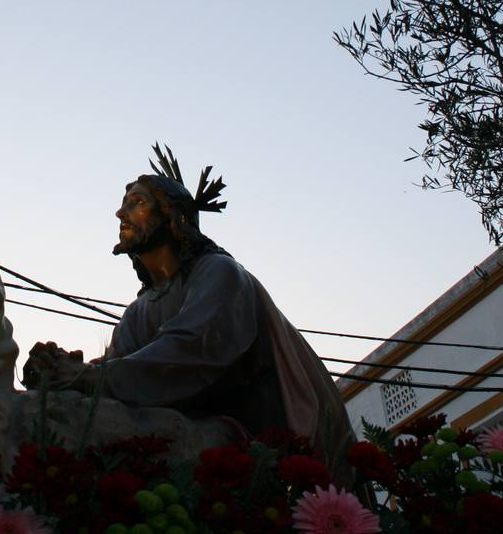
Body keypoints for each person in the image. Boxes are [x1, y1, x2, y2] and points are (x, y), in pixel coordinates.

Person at [24, 150, 352, 477]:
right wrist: (61, 371)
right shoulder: (138, 311)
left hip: (258, 445)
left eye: (137, 202)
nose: (120, 212)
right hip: (187, 431)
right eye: (124, 204)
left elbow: (186, 354)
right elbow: (121, 374)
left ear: (175, 216)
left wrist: (85, 377)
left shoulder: (218, 273)